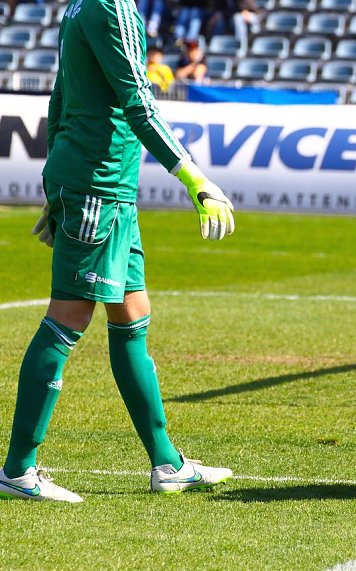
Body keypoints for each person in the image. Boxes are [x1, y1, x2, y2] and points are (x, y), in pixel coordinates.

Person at [0, 0, 235, 503]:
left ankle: (167, 463)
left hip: (104, 186)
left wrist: (53, 180)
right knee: (67, 318)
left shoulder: (82, 5)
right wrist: (193, 177)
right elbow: (139, 103)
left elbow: (60, 96)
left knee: (133, 315)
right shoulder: (112, 7)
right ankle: (18, 468)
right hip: (98, 186)